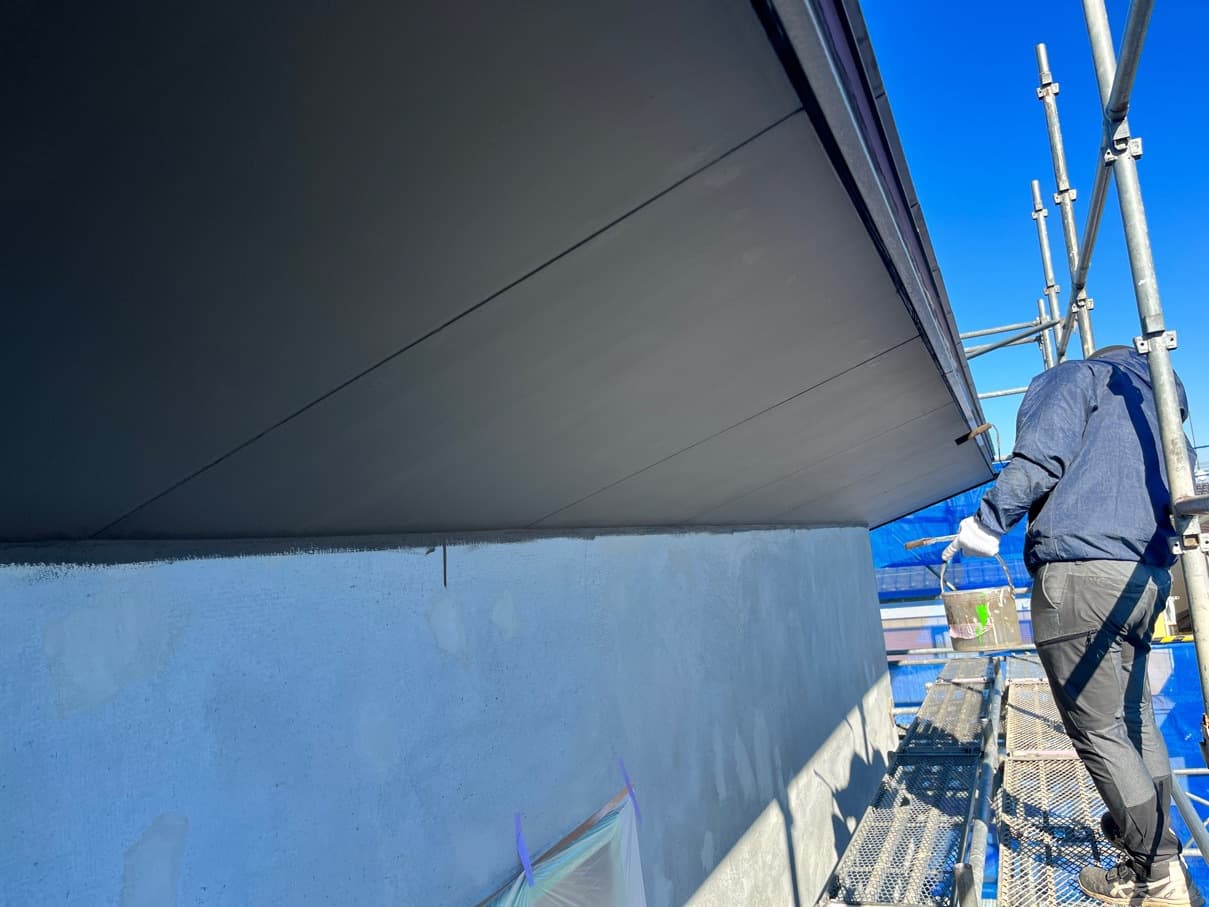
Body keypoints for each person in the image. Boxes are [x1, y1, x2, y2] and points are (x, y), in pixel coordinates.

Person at [944, 345, 1202, 907]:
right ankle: (1155, 843)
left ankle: (1155, 870)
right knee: (1134, 720)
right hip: (1146, 577)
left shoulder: (1077, 377)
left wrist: (987, 523)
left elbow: (1041, 458)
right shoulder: (1160, 406)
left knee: (1099, 728)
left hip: (1082, 576)